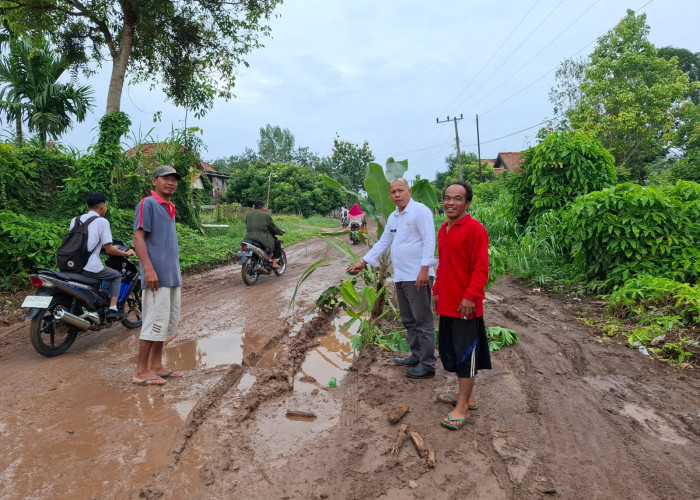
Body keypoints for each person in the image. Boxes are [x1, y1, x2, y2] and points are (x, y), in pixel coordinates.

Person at [347, 178, 437, 378]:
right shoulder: (394, 217)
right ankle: (416, 355)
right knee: (408, 319)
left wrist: (425, 269)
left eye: (400, 190)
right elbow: (383, 241)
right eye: (393, 192)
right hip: (401, 276)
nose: (396, 195)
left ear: (409, 191)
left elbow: (430, 240)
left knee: (422, 320)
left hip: (418, 275)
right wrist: (363, 261)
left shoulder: (420, 211)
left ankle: (428, 364)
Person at [431, 181, 491, 430]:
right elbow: (443, 265)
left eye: (457, 198)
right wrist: (436, 291)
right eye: (447, 198)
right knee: (454, 352)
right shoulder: (444, 229)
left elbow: (481, 268)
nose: (450, 202)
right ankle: (468, 396)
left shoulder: (475, 229)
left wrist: (470, 296)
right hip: (447, 303)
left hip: (466, 306)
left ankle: (463, 406)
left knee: (466, 355)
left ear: (467, 204)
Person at [132, 165, 184, 387]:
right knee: (153, 323)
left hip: (171, 276)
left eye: (174, 179)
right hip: (156, 277)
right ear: (154, 181)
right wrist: (149, 269)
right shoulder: (148, 204)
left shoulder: (169, 206)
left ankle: (156, 366)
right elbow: (138, 237)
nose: (171, 182)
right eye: (166, 178)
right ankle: (141, 371)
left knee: (165, 323)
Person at [72, 192, 135, 319]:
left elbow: (82, 243)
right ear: (102, 206)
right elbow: (110, 249)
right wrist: (125, 253)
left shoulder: (76, 220)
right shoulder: (102, 221)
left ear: (87, 206)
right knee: (116, 275)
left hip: (72, 263)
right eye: (105, 205)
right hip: (89, 266)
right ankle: (112, 309)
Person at [244, 200, 284, 268]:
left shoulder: (248, 215)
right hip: (262, 238)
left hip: (249, 238)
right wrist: (280, 232)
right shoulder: (265, 215)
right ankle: (274, 263)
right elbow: (273, 227)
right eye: (264, 207)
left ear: (254, 207)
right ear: (262, 207)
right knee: (277, 244)